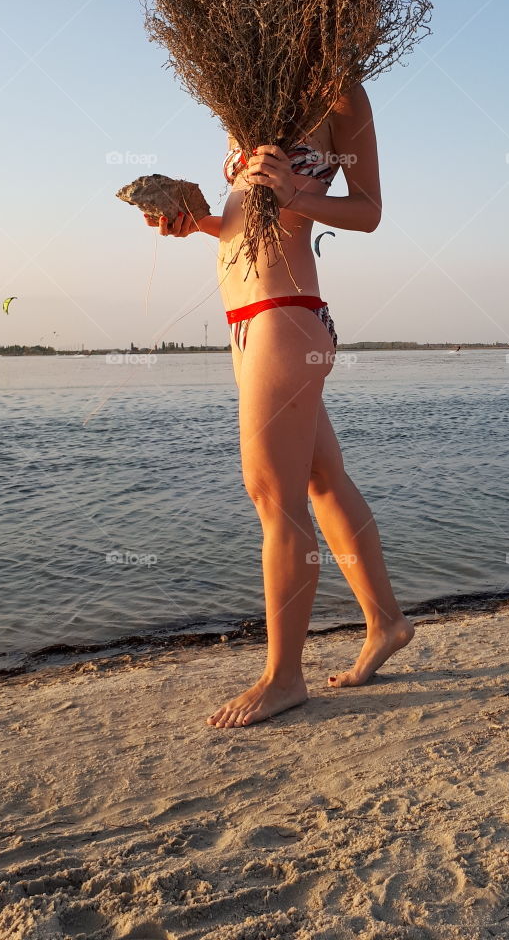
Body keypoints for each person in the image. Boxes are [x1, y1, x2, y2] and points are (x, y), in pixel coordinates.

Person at [146, 82, 413, 727]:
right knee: (321, 480)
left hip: (284, 317)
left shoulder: (341, 98)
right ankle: (386, 623)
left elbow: (369, 209)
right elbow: (249, 223)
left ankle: (283, 676)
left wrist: (298, 195)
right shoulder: (254, 92)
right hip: (246, 320)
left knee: (274, 498)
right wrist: (198, 222)